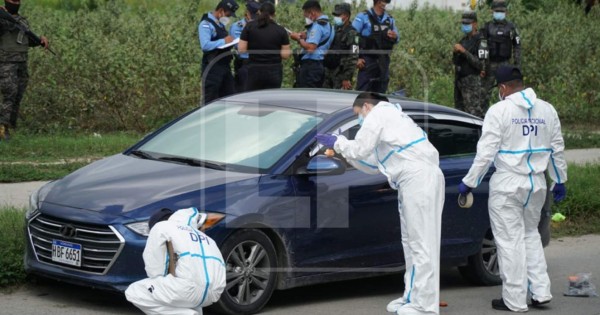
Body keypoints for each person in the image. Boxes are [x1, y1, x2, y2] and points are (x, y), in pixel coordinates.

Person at [315, 92, 445, 315]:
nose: (360, 121)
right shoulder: (392, 119)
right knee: (412, 242)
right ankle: (412, 296)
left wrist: (338, 142)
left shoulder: (379, 113)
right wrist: (341, 153)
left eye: (358, 115)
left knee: (421, 243)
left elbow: (360, 148)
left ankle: (425, 306)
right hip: (413, 180)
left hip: (418, 179)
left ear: (366, 106)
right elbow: (373, 162)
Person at [458, 65, 567, 312]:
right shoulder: (547, 109)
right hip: (537, 183)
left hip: (508, 183)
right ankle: (540, 292)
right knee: (530, 235)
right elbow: (556, 147)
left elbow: (485, 153)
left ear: (503, 88)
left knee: (509, 241)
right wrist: (560, 179)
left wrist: (470, 182)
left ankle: (514, 300)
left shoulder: (499, 111)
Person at [125, 207, 226, 315]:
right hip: (213, 294)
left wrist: (162, 278)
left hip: (184, 288)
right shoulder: (206, 238)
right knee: (186, 301)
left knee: (134, 292)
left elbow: (155, 269)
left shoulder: (161, 226)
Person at [0, 0, 49, 141]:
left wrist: (40, 40)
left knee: (17, 96)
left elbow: (26, 40)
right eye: (12, 0)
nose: (15, 3)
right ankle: (3, 128)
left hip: (22, 63)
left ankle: (8, 126)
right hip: (6, 64)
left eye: (17, 1)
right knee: (10, 94)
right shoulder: (2, 19)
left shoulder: (22, 21)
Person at [238, 1, 291, 91]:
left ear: (259, 12)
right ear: (274, 14)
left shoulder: (249, 27)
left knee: (253, 98)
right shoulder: (281, 30)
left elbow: (241, 49)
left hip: (254, 69)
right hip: (274, 70)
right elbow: (285, 55)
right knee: (271, 99)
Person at [480, 0, 521, 112]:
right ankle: (482, 117)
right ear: (492, 11)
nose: (499, 13)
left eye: (501, 11)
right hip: (490, 64)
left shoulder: (511, 27)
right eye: (497, 11)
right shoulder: (487, 27)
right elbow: (482, 47)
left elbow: (517, 46)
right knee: (484, 93)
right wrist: (482, 66)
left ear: (506, 12)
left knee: (508, 91)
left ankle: (508, 113)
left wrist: (517, 65)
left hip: (505, 64)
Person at [352, 0, 399, 93]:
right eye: (385, 1)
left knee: (380, 92)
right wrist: (355, 57)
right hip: (367, 61)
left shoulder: (389, 19)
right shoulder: (363, 17)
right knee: (363, 93)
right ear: (378, 2)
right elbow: (352, 38)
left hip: (383, 61)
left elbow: (397, 38)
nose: (387, 4)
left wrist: (395, 36)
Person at [198, 0, 238, 104]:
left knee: (230, 97)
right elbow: (205, 45)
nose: (228, 18)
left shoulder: (220, 24)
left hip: (224, 67)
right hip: (212, 68)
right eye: (228, 15)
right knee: (211, 101)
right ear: (221, 11)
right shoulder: (205, 24)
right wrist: (224, 41)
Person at [289, 0, 334, 88]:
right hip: (319, 64)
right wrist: (306, 36)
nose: (306, 18)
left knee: (306, 95)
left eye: (306, 15)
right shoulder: (329, 26)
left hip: (310, 67)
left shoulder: (317, 26)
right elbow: (321, 41)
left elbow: (310, 48)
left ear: (312, 13)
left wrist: (298, 39)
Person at [453, 11, 488, 117]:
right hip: (460, 82)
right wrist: (455, 53)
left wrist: (464, 51)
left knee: (473, 114)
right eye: (463, 23)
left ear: (475, 24)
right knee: (460, 114)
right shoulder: (463, 40)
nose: (465, 26)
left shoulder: (481, 41)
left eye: (468, 24)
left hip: (472, 84)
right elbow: (455, 62)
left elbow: (480, 64)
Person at [323, 3, 359, 90]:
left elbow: (353, 57)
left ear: (346, 16)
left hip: (341, 74)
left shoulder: (352, 33)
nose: (336, 17)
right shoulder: (334, 29)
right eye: (335, 15)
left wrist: (346, 77)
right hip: (328, 71)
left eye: (338, 15)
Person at [230, 1, 260, 93]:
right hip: (244, 63)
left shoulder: (261, 26)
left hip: (258, 63)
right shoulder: (237, 26)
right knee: (242, 92)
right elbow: (239, 46)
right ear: (247, 13)